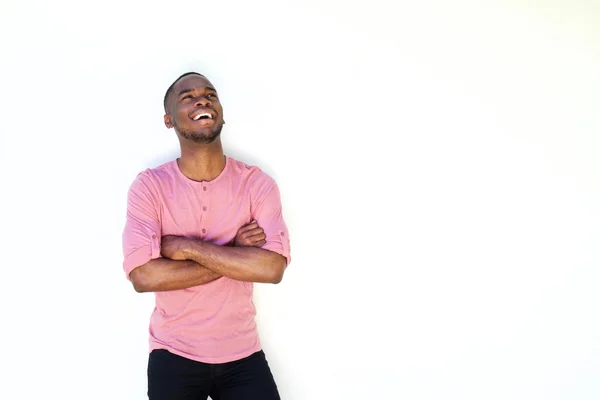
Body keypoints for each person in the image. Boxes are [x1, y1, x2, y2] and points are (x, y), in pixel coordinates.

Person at [121, 72, 291, 400]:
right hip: (173, 354)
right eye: (188, 97)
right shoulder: (149, 188)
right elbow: (143, 276)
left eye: (210, 95)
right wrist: (236, 251)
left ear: (221, 112)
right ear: (169, 120)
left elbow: (272, 269)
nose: (203, 100)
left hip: (243, 354)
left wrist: (186, 247)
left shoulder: (257, 184)